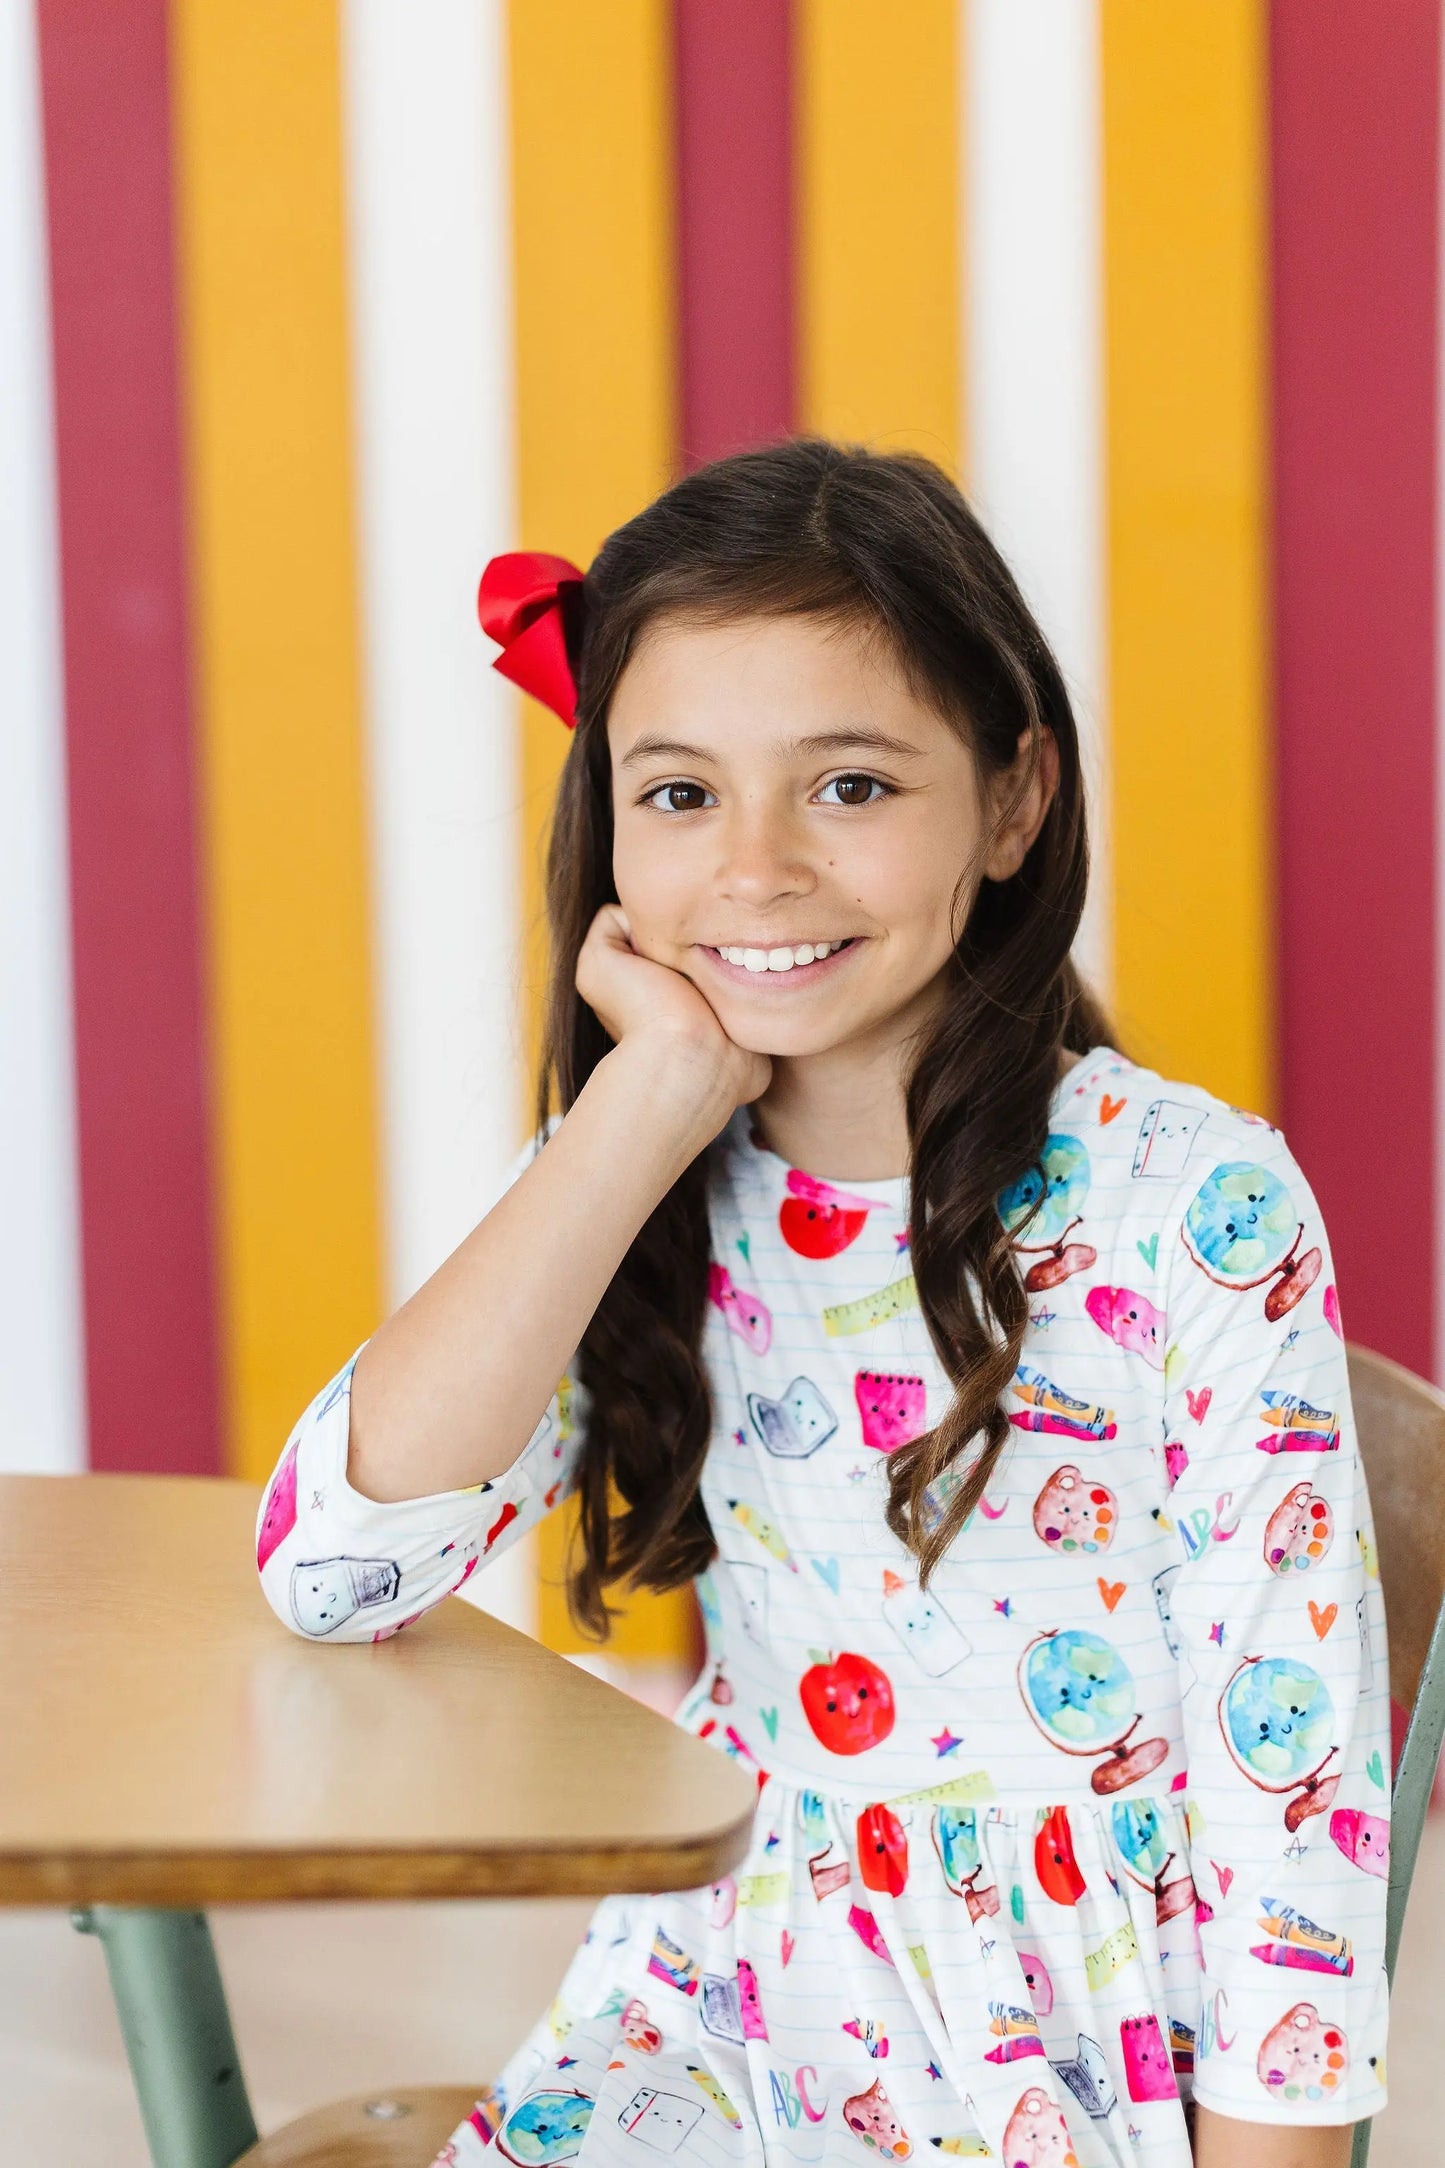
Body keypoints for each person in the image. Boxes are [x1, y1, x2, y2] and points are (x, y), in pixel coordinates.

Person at [256, 441, 1389, 2168]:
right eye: (680, 795)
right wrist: (641, 1109)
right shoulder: (637, 1169)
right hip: (724, 1999)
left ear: (1013, 800)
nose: (758, 869)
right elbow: (334, 1570)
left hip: (1065, 2052)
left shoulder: (1195, 1204)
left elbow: (1288, 1805)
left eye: (849, 787)